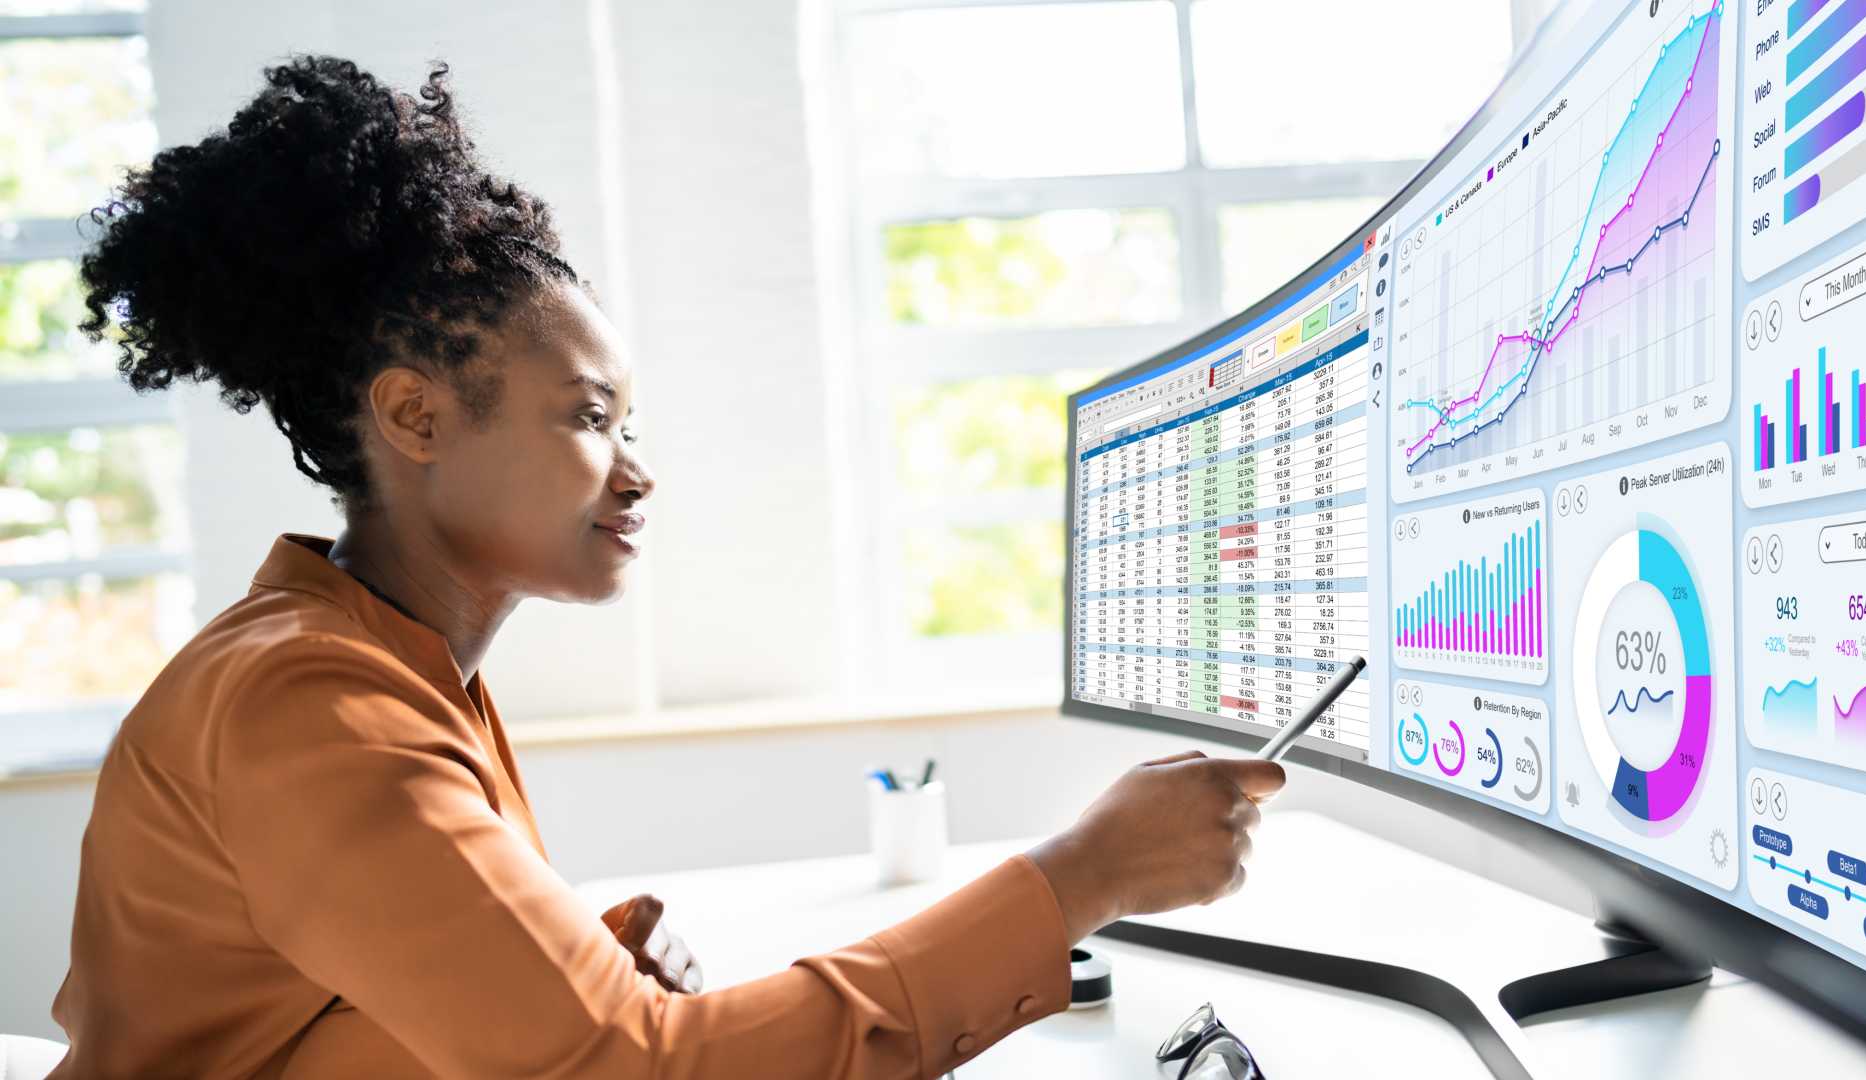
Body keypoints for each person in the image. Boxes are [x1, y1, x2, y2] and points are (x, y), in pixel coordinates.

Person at [49, 56, 1287, 1078]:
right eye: (591, 418)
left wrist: (559, 964)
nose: (636, 472)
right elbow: (646, 1076)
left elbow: (305, 1021)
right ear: (416, 420)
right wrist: (1082, 878)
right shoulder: (313, 708)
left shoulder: (375, 664)